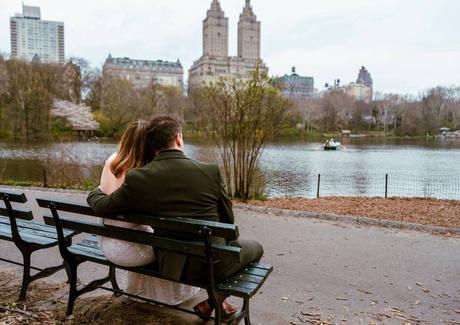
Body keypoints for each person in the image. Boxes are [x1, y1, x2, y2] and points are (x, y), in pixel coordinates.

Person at [87, 115, 264, 318]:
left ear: (151, 145)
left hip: (169, 263)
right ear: (178, 138)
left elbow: (104, 205)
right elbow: (227, 221)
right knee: (257, 248)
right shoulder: (209, 172)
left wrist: (95, 191)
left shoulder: (140, 177)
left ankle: (214, 301)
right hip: (212, 264)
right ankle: (215, 300)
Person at [99, 120, 200, 305]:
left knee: (147, 233)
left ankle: (146, 292)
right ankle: (165, 293)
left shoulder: (112, 161)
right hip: (131, 251)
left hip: (107, 244)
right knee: (171, 239)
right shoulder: (144, 172)